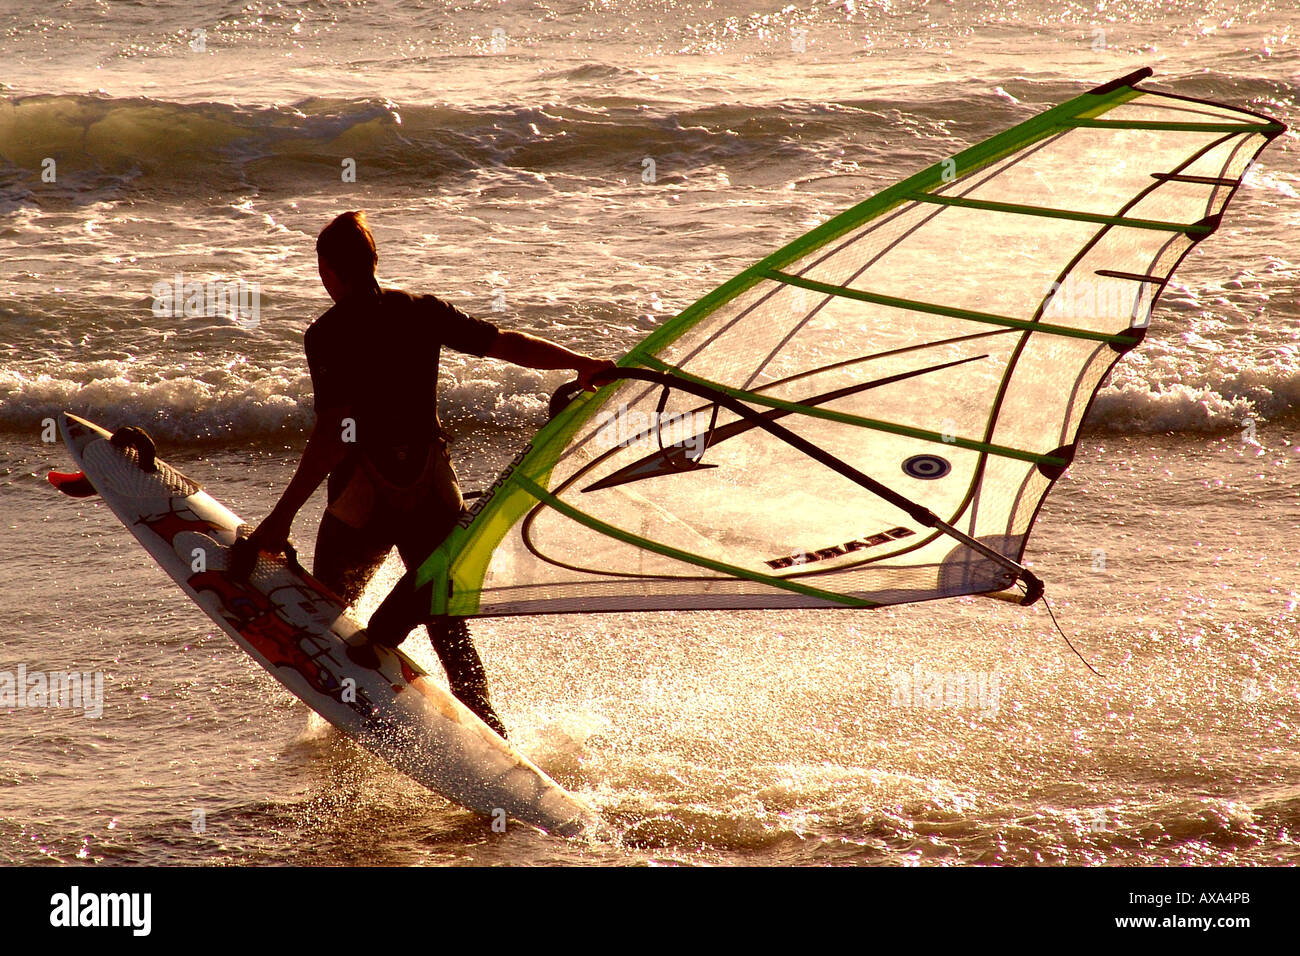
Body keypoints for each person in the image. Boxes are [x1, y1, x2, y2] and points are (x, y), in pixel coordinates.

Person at [238, 211, 614, 738]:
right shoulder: (421, 311)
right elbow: (503, 341)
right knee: (447, 625)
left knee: (324, 616)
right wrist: (579, 362)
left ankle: (347, 723)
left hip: (363, 497)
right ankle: (487, 729)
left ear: (328, 270)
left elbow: (332, 430)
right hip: (432, 487)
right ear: (374, 261)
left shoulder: (326, 333)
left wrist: (281, 517)